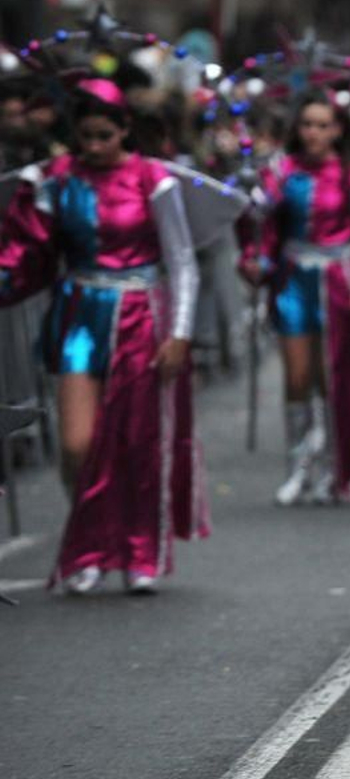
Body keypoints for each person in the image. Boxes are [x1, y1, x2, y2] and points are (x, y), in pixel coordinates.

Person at [0, 79, 225, 593]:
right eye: (85, 137)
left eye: (104, 135)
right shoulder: (59, 179)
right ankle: (90, 542)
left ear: (125, 129)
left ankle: (141, 548)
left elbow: (182, 263)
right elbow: (29, 249)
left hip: (141, 315)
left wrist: (182, 333)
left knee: (138, 442)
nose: (95, 147)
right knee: (78, 444)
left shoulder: (155, 180)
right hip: (79, 312)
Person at [238, 91, 350, 505]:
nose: (313, 133)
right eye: (307, 124)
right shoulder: (281, 169)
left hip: (337, 281)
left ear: (338, 130)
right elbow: (260, 219)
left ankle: (332, 464)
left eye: (323, 125)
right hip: (293, 278)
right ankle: (297, 466)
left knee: (331, 378)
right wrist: (251, 190)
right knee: (297, 378)